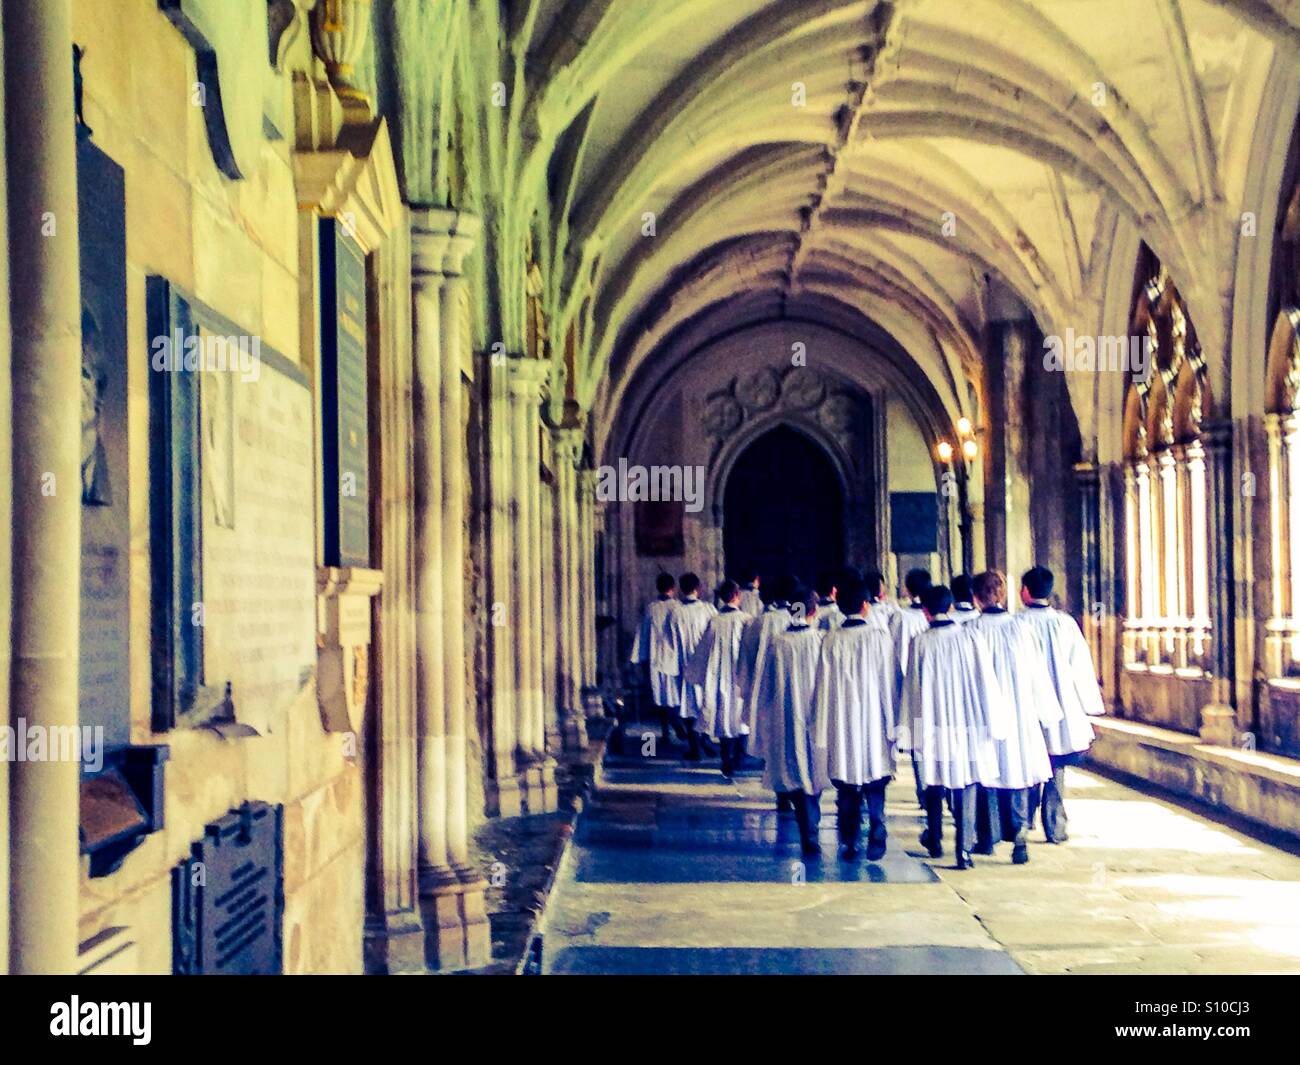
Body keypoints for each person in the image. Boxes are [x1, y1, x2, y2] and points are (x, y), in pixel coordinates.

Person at [901, 584, 1007, 869]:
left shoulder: (919, 642)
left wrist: (910, 730)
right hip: (968, 722)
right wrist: (994, 720)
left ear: (925, 611)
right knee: (967, 781)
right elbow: (986, 682)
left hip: (934, 723)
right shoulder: (971, 638)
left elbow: (912, 688)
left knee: (934, 779)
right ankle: (964, 850)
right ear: (950, 607)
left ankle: (935, 839)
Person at [969, 570, 1062, 864]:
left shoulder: (971, 632)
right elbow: (1037, 674)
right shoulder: (1021, 629)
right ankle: (1020, 832)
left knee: (987, 774)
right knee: (1018, 771)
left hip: (982, 715)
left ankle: (986, 836)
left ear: (976, 598)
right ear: (1003, 594)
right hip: (1019, 713)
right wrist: (1046, 713)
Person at [1016, 565, 1105, 843]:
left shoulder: (1016, 624)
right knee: (1055, 766)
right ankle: (1055, 825)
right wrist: (1089, 705)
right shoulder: (1065, 624)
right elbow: (1080, 666)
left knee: (1027, 761)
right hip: (1062, 704)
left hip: (1027, 703)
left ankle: (1025, 818)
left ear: (1025, 591)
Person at [813, 573, 897, 860]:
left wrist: (820, 725)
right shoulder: (879, 638)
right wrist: (894, 720)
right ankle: (877, 825)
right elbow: (889, 682)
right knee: (876, 777)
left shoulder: (830, 640)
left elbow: (822, 686)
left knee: (846, 782)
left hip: (842, 719)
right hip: (874, 718)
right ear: (865, 605)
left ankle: (849, 838)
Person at [751, 585, 828, 856]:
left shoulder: (778, 643)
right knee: (814, 770)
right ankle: (811, 828)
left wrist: (763, 717)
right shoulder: (822, 640)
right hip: (817, 715)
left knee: (796, 769)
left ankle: (808, 829)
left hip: (788, 715)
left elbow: (766, 685)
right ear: (814, 611)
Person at [686, 579, 752, 777]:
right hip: (740, 675)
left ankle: (726, 758)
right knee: (740, 715)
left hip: (718, 677)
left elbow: (703, 649)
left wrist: (695, 673)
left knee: (723, 716)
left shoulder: (714, 621)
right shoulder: (746, 619)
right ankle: (739, 756)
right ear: (736, 596)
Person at [891, 567, 933, 803]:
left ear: (907, 590)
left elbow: (894, 650)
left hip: (911, 683)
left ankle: (923, 787)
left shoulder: (900, 617)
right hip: (935, 682)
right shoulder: (933, 614)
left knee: (918, 736)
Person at [666, 572, 718, 760]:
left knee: (688, 706)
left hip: (684, 665)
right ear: (698, 589)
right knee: (705, 703)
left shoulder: (675, 613)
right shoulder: (708, 610)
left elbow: (670, 641)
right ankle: (705, 741)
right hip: (705, 665)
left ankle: (695, 746)